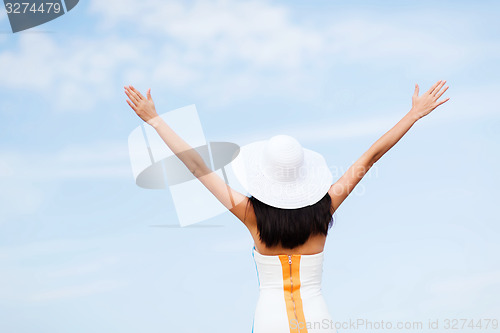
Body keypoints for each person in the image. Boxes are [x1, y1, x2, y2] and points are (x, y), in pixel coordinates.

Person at [124, 80, 450, 333]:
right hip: (318, 318)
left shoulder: (251, 215)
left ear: (263, 178)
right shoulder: (325, 209)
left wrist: (154, 120)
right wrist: (413, 114)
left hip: (271, 320)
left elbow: (197, 167)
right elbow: (370, 156)